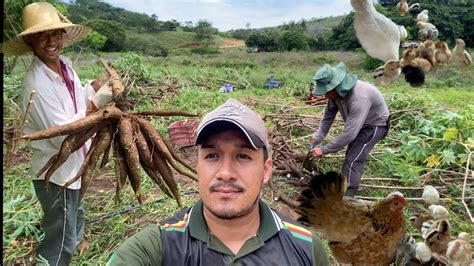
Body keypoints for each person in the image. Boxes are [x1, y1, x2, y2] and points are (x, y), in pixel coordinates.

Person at [107, 99, 330, 265]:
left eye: (242, 156)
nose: (225, 173)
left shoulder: (306, 248)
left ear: (265, 170)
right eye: (212, 156)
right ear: (198, 166)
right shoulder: (158, 246)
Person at [1, 2, 113, 265]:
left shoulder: (64, 66)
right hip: (56, 173)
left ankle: (74, 248)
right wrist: (96, 104)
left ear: (63, 35)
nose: (51, 41)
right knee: (60, 239)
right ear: (30, 40)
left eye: (56, 33)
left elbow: (75, 102)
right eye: (42, 35)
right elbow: (63, 136)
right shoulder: (36, 84)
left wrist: (92, 88)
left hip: (75, 168)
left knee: (76, 216)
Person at [309, 62, 390, 197]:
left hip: (375, 125)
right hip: (361, 124)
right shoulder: (335, 95)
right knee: (351, 155)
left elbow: (349, 135)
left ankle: (348, 195)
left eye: (326, 92)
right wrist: (317, 137)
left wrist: (323, 150)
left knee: (353, 159)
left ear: (335, 87)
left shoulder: (359, 97)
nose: (325, 96)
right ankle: (344, 185)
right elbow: (327, 118)